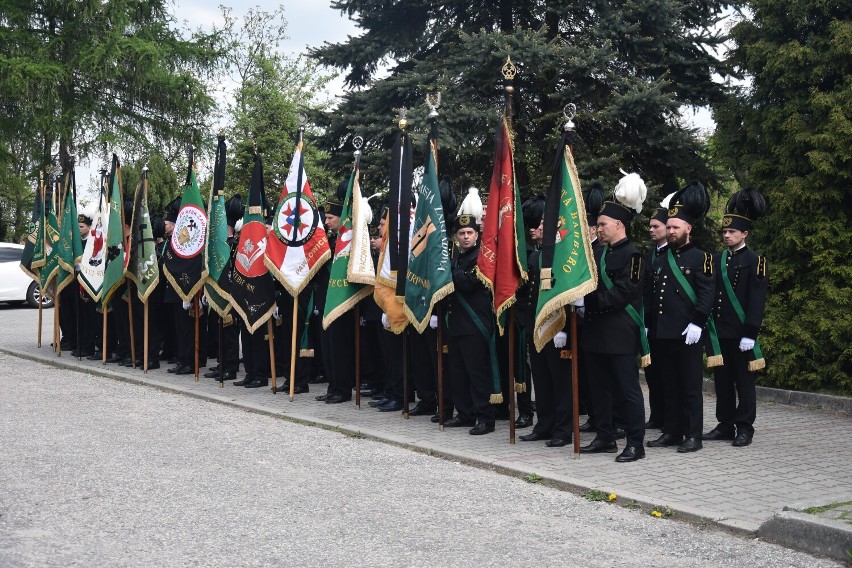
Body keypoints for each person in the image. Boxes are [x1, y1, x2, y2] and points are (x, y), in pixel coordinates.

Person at [579, 173, 648, 462]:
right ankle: (605, 437)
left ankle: (635, 443)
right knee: (599, 390)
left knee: (628, 391)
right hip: (596, 333)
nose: (599, 229)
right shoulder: (597, 253)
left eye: (603, 225)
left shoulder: (634, 256)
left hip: (620, 333)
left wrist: (588, 303)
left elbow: (623, 294)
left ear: (619, 224)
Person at [646, 181, 715, 453]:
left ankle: (693, 435)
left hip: (688, 333)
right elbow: (652, 296)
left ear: (688, 229)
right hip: (662, 333)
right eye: (670, 227)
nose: (671, 231)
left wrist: (698, 321)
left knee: (689, 387)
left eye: (676, 227)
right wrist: (649, 326)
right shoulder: (660, 258)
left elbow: (707, 293)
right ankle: (672, 432)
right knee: (668, 386)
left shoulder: (701, 258)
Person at [703, 187, 768, 447]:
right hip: (720, 332)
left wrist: (750, 333)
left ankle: (745, 427)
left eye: (731, 232)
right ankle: (725, 423)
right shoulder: (717, 260)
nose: (726, 235)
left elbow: (756, 300)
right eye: (724, 232)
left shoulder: (755, 261)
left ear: (745, 234)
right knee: (723, 381)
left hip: (742, 334)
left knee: (744, 382)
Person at [518, 196, 574, 447]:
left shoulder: (562, 258)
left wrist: (565, 328)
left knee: (560, 382)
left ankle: (563, 430)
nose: (537, 227)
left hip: (558, 328)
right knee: (540, 379)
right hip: (537, 326)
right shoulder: (533, 258)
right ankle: (544, 425)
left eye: (543, 223)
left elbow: (567, 293)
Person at [445, 211, 498, 435]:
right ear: (456, 236)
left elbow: (469, 283)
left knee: (477, 373)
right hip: (456, 324)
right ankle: (464, 413)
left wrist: (452, 272)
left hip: (476, 324)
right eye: (461, 233)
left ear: (477, 235)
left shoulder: (482, 257)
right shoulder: (456, 259)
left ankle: (485, 418)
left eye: (470, 232)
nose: (466, 237)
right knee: (457, 372)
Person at [642, 193, 675, 429]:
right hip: (650, 323)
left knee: (667, 375)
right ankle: (656, 415)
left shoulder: (673, 254)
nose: (651, 230)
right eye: (650, 226)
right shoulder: (647, 256)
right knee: (652, 374)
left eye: (656, 226)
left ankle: (669, 418)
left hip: (668, 325)